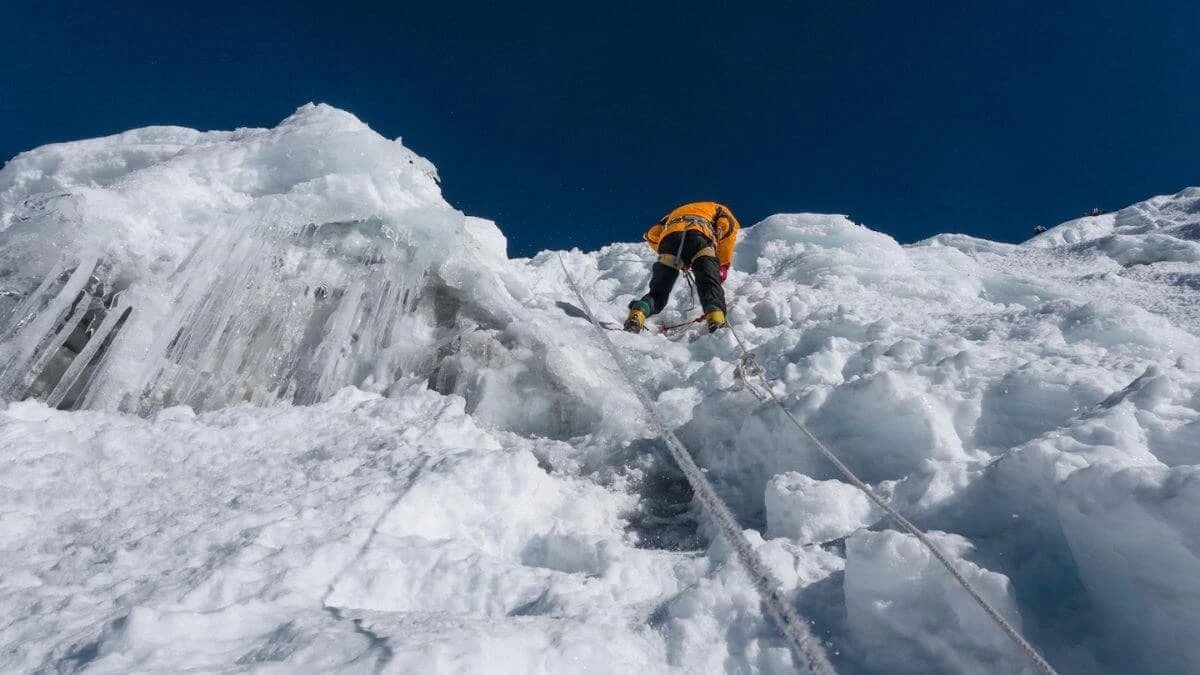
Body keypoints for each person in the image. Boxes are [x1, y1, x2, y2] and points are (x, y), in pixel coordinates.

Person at [625, 201, 741, 334]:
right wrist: (723, 264)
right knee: (709, 284)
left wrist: (676, 259)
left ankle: (637, 314)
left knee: (658, 292)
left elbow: (652, 234)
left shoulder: (671, 215)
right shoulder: (719, 208)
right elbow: (727, 227)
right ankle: (716, 321)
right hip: (698, 236)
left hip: (669, 240)